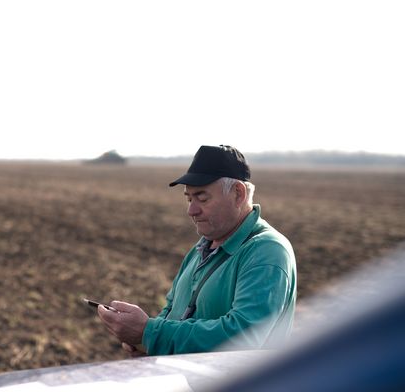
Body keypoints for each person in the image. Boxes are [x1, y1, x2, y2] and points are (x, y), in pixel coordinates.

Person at [97, 145, 297, 356]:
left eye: (202, 198)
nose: (191, 210)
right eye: (189, 198)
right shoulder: (200, 249)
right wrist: (147, 346)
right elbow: (173, 311)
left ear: (238, 194)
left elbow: (244, 337)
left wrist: (149, 333)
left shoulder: (267, 251)